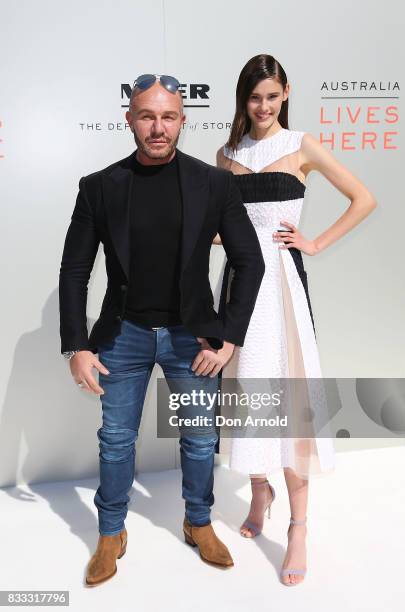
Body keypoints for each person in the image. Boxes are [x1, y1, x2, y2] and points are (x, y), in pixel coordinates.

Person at [59, 73, 265, 586]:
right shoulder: (100, 187)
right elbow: (74, 271)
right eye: (147, 116)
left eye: (168, 116)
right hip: (122, 336)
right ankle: (111, 532)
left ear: (182, 121)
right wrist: (76, 346)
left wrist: (230, 336)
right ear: (129, 119)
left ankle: (199, 523)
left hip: (190, 338)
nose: (158, 127)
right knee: (116, 440)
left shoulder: (213, 183)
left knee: (198, 440)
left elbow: (250, 260)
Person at [215, 55, 377, 586]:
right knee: (248, 391)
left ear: (286, 93)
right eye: (253, 97)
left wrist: (313, 243)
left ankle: (299, 526)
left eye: (271, 96)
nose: (262, 107)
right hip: (241, 287)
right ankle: (259, 489)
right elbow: (224, 229)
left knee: (290, 401)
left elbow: (363, 198)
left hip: (282, 287)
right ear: (243, 99)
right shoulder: (227, 153)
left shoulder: (302, 144)